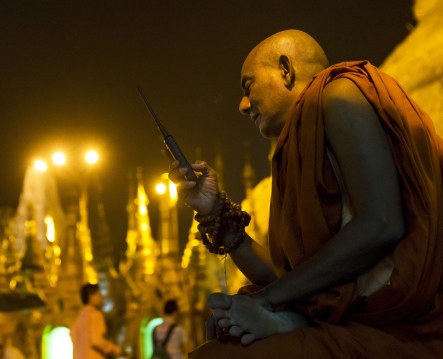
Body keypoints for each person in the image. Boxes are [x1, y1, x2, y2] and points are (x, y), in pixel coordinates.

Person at [166, 29, 443, 358]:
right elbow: (293, 279)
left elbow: (381, 224)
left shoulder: (340, 94)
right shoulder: (298, 144)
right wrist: (214, 213)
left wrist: (265, 301)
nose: (242, 106)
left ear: (285, 70)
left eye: (248, 86)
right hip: (350, 323)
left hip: (402, 332)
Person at [70, 283, 123, 359]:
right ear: (91, 296)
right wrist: (117, 350)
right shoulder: (95, 314)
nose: (102, 298)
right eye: (99, 294)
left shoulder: (79, 319)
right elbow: (96, 340)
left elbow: (73, 336)